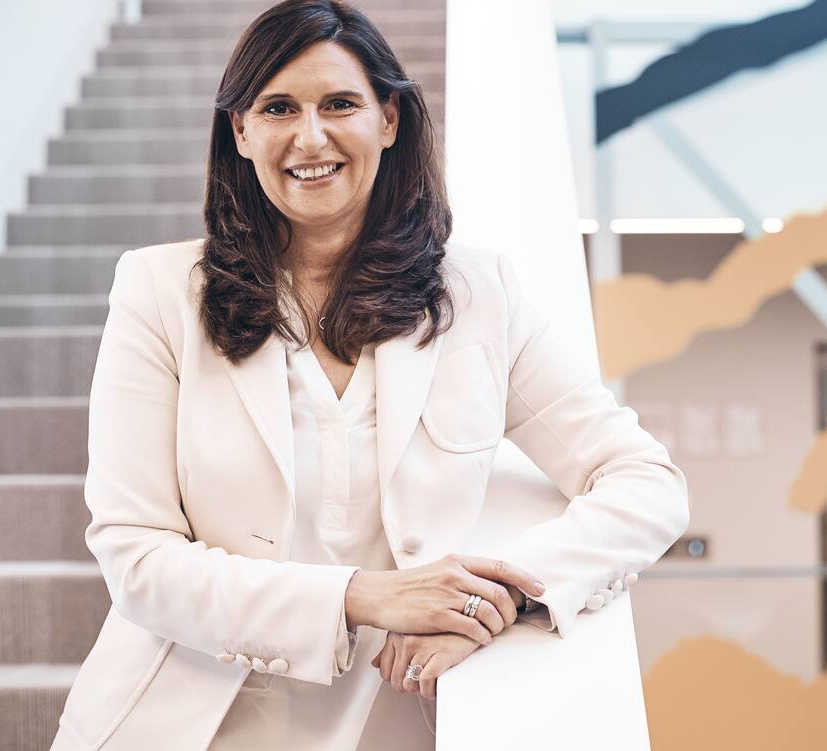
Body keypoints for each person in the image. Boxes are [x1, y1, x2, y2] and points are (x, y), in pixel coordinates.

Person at [50, 1, 689, 749]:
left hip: (389, 721)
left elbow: (646, 482)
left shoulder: (476, 296)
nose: (309, 137)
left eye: (339, 104)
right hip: (184, 724)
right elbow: (137, 556)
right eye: (278, 108)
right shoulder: (160, 291)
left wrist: (496, 596)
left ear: (388, 119)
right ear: (240, 131)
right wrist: (366, 596)